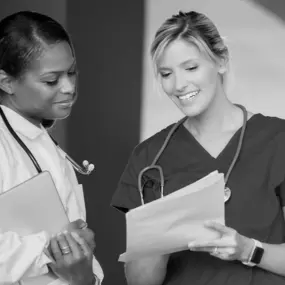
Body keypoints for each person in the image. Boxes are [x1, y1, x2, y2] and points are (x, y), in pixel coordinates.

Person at [111, 10, 285, 285]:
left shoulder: (277, 140)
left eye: (191, 68)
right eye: (166, 73)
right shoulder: (149, 158)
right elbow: (139, 282)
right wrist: (161, 236)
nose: (179, 85)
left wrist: (248, 249)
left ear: (221, 61)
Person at [0, 11, 103, 285]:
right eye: (51, 80)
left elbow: (80, 258)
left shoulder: (46, 144)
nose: (69, 87)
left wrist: (85, 277)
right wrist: (53, 250)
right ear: (6, 82)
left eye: (71, 72)